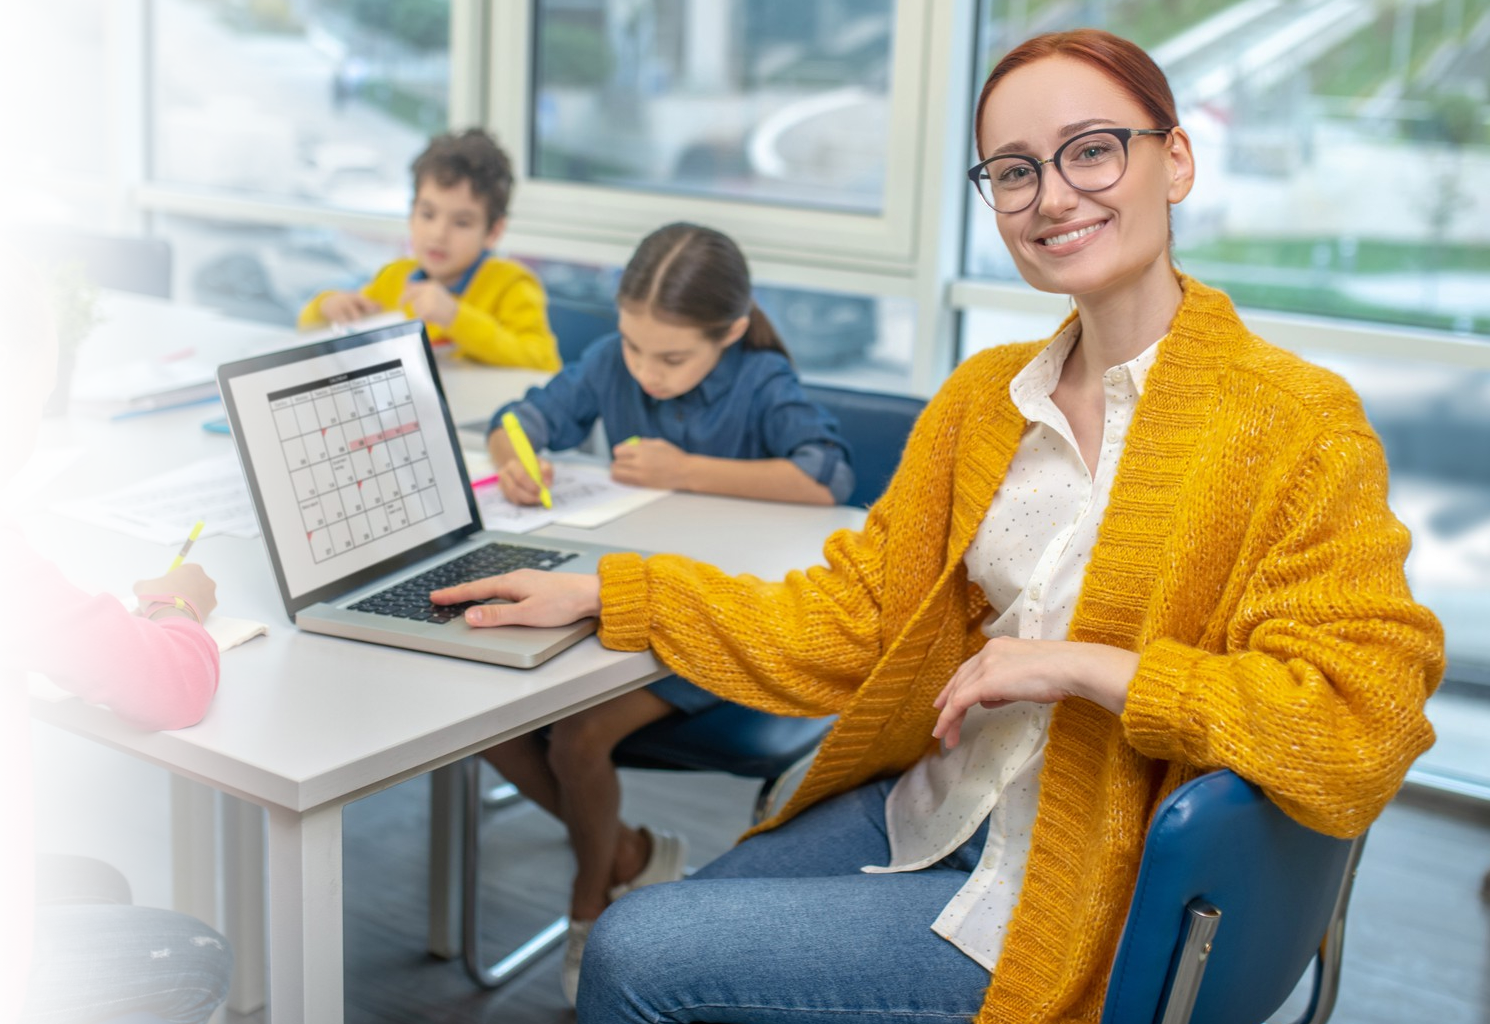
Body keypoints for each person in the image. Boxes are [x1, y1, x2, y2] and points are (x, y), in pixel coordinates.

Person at [428, 30, 1446, 1023]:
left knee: (633, 950)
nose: (1051, 196)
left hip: (1078, 898)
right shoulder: (981, 401)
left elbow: (1363, 722)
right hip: (935, 808)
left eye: (1091, 150)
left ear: (1173, 159)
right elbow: (856, 616)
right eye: (1013, 171)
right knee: (675, 925)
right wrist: (611, 591)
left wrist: (1086, 666)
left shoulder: (1293, 422)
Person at [480, 221, 855, 1001]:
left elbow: (827, 479)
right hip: (617, 597)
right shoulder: (612, 363)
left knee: (580, 735)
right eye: (634, 347)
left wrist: (690, 470)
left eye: (673, 358)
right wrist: (513, 452)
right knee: (488, 719)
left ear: (731, 331)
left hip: (720, 618)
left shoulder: (761, 380)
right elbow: (527, 414)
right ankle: (628, 854)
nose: (647, 373)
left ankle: (591, 903)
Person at [0, 170, 233, 1024]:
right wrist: (178, 608)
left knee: (99, 886)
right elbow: (169, 687)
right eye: (41, 404)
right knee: (197, 957)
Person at [298, 128, 560, 371]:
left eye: (461, 222)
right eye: (427, 214)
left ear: (493, 232)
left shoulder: (512, 284)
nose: (438, 234)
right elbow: (309, 331)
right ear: (411, 215)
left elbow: (543, 363)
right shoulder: (394, 277)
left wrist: (455, 317)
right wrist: (326, 308)